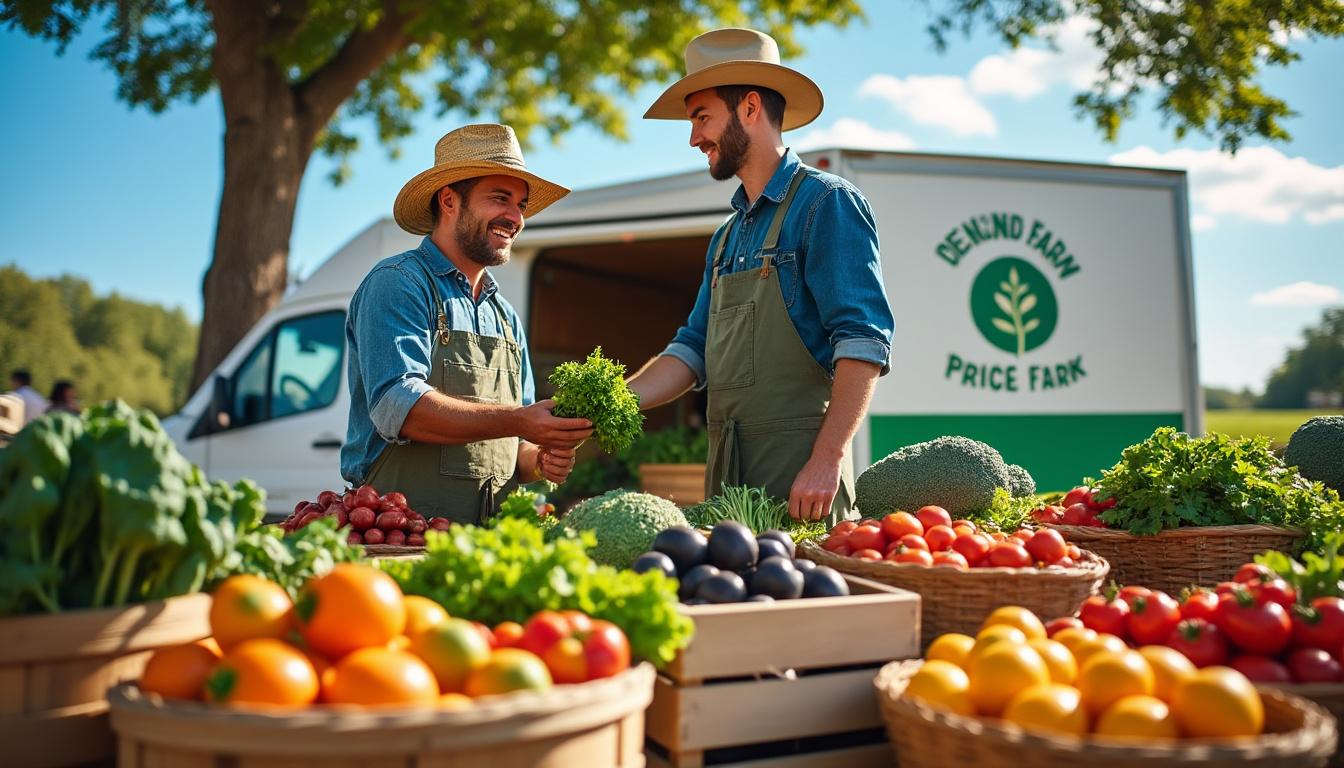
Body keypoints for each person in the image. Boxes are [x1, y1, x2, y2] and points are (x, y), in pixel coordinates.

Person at [628, 28, 895, 524]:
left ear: (749, 108)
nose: (694, 138)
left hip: (803, 481)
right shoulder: (726, 238)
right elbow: (692, 349)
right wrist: (616, 401)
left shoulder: (825, 203)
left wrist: (827, 459)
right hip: (728, 482)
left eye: (701, 118)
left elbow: (862, 340)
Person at [341, 124, 593, 523]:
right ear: (448, 200)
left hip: (487, 544)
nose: (514, 217)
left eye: (521, 205)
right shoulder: (398, 283)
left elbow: (516, 446)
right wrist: (519, 420)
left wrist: (541, 460)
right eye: (500, 198)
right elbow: (398, 407)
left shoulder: (506, 317)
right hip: (398, 538)